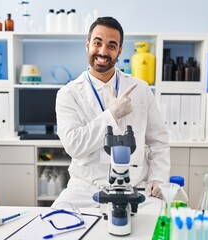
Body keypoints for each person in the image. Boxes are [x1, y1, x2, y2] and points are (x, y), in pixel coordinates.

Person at [53, 16, 170, 207]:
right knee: (56, 222)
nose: (103, 51)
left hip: (136, 187)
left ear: (120, 50)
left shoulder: (140, 89)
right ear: (87, 44)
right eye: (97, 43)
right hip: (86, 189)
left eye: (111, 45)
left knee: (159, 226)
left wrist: (158, 178)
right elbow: (74, 145)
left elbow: (159, 141)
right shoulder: (69, 94)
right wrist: (112, 115)